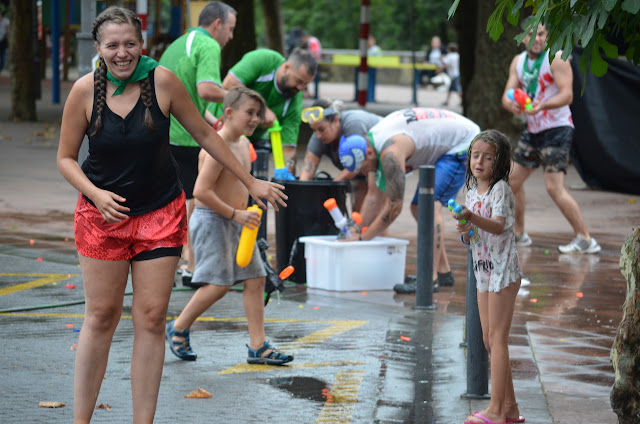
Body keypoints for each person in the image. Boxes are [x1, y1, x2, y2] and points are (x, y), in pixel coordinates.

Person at [56, 7, 286, 422]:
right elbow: (66, 158)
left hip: (159, 213)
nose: (122, 52)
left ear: (141, 44)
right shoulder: (84, 90)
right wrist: (95, 194)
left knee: (149, 317)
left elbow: (205, 134)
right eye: (113, 45)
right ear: (99, 48)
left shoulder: (162, 81)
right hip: (101, 217)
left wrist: (251, 182)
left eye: (130, 43)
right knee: (102, 316)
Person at [165, 87, 293, 366]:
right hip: (213, 220)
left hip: (239, 221)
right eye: (250, 112)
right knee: (218, 285)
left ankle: (258, 347)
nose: (255, 119)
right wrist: (236, 214)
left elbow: (239, 184)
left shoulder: (244, 144)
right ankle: (178, 327)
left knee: (256, 280)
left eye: (258, 114)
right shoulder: (217, 145)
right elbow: (201, 192)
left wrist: (250, 209)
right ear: (229, 113)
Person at [337, 107, 481, 294]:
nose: (365, 173)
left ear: (370, 153)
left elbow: (394, 206)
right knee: (418, 208)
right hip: (450, 138)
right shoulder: (372, 142)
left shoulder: (390, 152)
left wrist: (362, 238)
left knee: (426, 208)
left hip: (463, 143)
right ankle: (443, 273)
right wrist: (354, 229)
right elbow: (374, 196)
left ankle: (429, 280)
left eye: (363, 169)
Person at [502, 19, 600, 254]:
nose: (537, 39)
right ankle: (520, 234)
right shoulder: (518, 62)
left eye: (542, 34)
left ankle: (585, 239)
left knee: (553, 188)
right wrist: (512, 105)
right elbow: (507, 94)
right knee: (512, 181)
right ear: (523, 37)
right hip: (533, 129)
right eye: (532, 34)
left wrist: (542, 105)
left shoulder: (556, 57)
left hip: (557, 129)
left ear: (547, 36)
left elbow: (567, 95)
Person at [159, 1, 237, 285]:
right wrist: (243, 98)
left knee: (177, 200)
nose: (230, 37)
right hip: (182, 136)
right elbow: (207, 89)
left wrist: (213, 121)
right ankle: (191, 266)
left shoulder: (181, 42)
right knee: (194, 200)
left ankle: (179, 261)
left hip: (162, 130)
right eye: (230, 29)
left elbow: (189, 96)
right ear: (217, 24)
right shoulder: (209, 46)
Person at [451, 130, 523, 424]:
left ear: (500, 161)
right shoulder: (471, 193)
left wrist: (472, 218)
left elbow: (497, 226)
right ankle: (510, 408)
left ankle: (495, 410)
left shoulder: (500, 190)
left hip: (503, 271)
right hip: (484, 271)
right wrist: (466, 232)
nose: (479, 161)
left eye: (488, 157)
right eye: (475, 155)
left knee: (497, 338)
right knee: (487, 339)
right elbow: (477, 235)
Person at [221, 47, 318, 176]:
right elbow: (229, 83)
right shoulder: (264, 60)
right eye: (299, 81)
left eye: (305, 85)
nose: (300, 88)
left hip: (252, 140)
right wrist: (262, 109)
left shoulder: (294, 101)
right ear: (286, 67)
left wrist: (287, 170)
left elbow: (288, 147)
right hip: (221, 129)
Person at [299, 98, 382, 212]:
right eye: (314, 130)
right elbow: (307, 170)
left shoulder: (354, 124)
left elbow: (357, 164)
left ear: (336, 121)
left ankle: (371, 230)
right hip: (362, 168)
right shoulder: (318, 136)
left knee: (371, 208)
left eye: (321, 129)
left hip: (381, 157)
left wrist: (331, 188)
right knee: (358, 208)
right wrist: (302, 198)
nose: (318, 135)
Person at [0, 8, 9, 74]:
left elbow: (8, 32)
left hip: (2, 42)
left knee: (3, 57)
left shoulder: (6, 21)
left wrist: (8, 40)